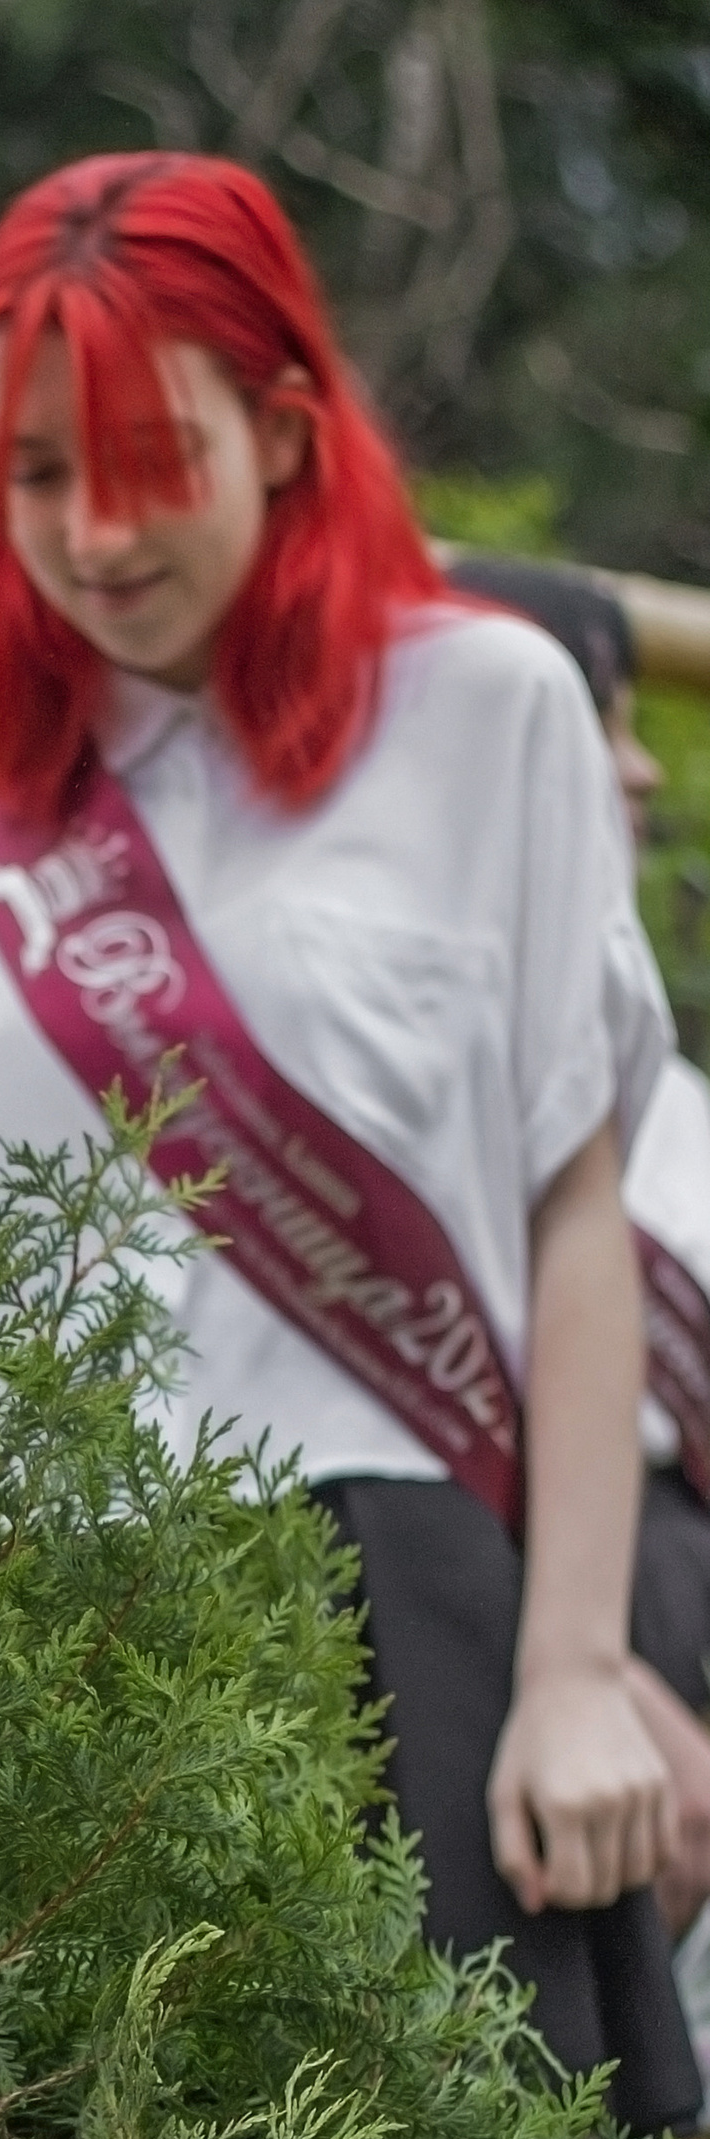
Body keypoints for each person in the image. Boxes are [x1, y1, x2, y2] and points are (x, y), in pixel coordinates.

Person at [0, 151, 691, 2139]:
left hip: (392, 1585)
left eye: (147, 457)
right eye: (32, 474)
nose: (87, 532)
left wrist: (573, 1667)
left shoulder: (485, 711)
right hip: (43, 1614)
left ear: (287, 428)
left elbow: (569, 1212)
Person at [439, 552, 710, 1956]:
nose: (644, 771)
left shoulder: (666, 1083)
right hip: (518, 1605)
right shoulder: (399, 1080)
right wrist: (588, 1666)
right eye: (599, 721)